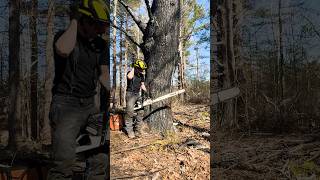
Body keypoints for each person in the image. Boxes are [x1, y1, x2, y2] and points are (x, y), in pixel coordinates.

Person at [47, 0, 110, 179]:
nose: (101, 31)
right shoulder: (64, 37)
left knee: (99, 159)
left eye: (103, 26)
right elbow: (63, 50)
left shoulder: (101, 45)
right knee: (63, 164)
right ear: (84, 20)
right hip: (65, 105)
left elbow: (104, 74)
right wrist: (75, 19)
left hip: (90, 106)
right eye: (98, 25)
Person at [124, 59, 148, 138]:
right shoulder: (130, 73)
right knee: (130, 112)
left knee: (141, 111)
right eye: (140, 69)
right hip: (130, 94)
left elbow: (142, 85)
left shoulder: (141, 75)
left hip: (137, 94)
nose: (142, 71)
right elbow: (129, 77)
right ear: (136, 67)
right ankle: (130, 132)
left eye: (142, 69)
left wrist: (147, 92)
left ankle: (137, 131)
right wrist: (134, 68)